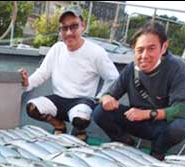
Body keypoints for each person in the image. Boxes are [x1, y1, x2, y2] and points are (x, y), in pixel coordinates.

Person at [93, 23, 185, 160]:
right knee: (100, 112)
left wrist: (147, 114)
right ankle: (125, 143)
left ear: (164, 47)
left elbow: (184, 109)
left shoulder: (176, 67)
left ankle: (157, 152)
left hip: (159, 125)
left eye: (151, 49)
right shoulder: (131, 69)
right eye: (140, 50)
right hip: (134, 120)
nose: (144, 56)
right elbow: (108, 94)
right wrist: (106, 98)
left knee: (181, 126)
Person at [20, 5, 119, 141]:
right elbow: (42, 74)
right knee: (31, 108)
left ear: (82, 26)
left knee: (80, 119)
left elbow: (113, 78)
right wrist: (27, 83)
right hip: (59, 99)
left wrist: (100, 97)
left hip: (82, 102)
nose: (68, 32)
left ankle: (79, 131)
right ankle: (59, 126)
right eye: (64, 28)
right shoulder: (57, 48)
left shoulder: (96, 52)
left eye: (73, 26)